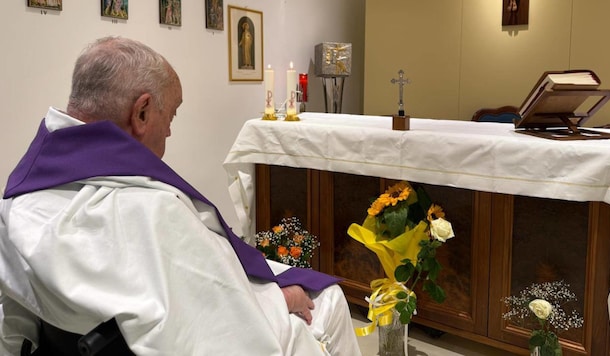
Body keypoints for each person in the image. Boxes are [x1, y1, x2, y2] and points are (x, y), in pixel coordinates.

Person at [0, 36, 361, 355]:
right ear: (141, 113)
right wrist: (279, 299)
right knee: (328, 300)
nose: (170, 132)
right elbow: (215, 321)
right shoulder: (151, 210)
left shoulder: (21, 196)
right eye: (170, 115)